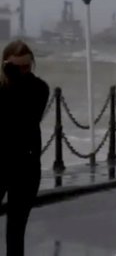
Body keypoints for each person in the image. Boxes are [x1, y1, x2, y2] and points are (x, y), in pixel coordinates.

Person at [0, 40, 50, 256]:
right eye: (16, 67)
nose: (22, 71)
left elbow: (25, 120)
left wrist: (14, 79)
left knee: (16, 231)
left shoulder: (39, 88)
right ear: (5, 65)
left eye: (26, 66)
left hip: (26, 166)